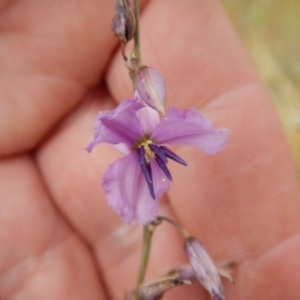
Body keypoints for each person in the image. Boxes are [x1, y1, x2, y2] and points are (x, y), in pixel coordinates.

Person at [0, 0, 299, 299]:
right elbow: (109, 127)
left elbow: (202, 133)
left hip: (145, 135)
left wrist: (189, 135)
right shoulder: (128, 117)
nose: (150, 151)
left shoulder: (146, 104)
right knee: (141, 209)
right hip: (138, 140)